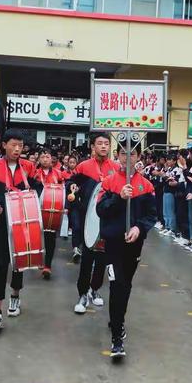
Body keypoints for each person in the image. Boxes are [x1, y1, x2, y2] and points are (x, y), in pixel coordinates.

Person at [96, 142, 156, 358]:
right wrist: (118, 198)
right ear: (117, 156)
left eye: (132, 154)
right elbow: (100, 210)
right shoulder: (109, 182)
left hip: (134, 245)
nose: (128, 157)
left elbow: (151, 215)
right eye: (123, 153)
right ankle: (117, 338)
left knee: (126, 284)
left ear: (138, 156)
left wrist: (139, 228)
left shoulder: (146, 186)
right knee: (116, 283)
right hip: (112, 243)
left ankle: (117, 318)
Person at [0, 129, 37, 331]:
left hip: (23, 221)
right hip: (2, 222)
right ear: (4, 145)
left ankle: (15, 296)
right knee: (0, 264)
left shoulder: (30, 167)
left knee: (19, 262)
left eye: (20, 146)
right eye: (14, 145)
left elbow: (38, 189)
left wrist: (33, 192)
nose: (17, 149)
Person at [69, 132, 120, 314]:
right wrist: (72, 187)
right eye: (100, 143)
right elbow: (72, 182)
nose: (104, 146)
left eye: (107, 143)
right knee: (87, 257)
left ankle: (94, 289)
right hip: (88, 218)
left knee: (103, 258)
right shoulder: (83, 167)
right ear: (92, 146)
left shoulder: (115, 167)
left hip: (108, 218)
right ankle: (82, 293)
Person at [34, 148, 64, 279]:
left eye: (47, 157)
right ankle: (39, 259)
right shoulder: (34, 174)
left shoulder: (59, 174)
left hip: (51, 212)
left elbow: (64, 191)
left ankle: (48, 265)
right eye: (43, 157)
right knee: (37, 238)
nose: (45, 159)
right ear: (39, 159)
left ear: (52, 159)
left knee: (50, 238)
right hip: (36, 209)